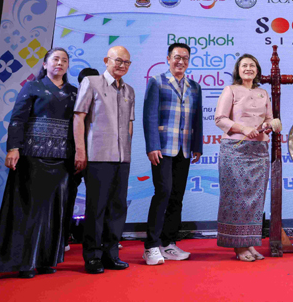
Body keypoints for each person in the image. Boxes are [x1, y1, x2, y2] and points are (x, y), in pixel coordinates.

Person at [0, 47, 78, 278]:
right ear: (45, 64)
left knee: (56, 210)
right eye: (55, 59)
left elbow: (80, 126)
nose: (60, 63)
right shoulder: (32, 86)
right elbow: (18, 119)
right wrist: (13, 148)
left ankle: (47, 260)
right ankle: (26, 262)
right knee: (29, 209)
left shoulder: (74, 92)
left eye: (64, 60)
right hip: (33, 156)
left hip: (63, 159)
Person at [73, 46, 135, 274]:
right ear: (106, 60)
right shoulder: (91, 82)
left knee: (117, 208)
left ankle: (111, 254)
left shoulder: (129, 90)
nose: (122, 65)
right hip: (97, 157)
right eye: (118, 60)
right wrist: (80, 151)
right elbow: (79, 118)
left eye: (126, 62)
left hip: (122, 158)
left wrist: (127, 150)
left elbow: (129, 124)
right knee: (96, 208)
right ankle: (92, 256)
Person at [214, 54, 281, 262]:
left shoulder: (263, 93)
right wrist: (243, 129)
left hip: (259, 150)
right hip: (235, 149)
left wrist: (270, 125)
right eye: (244, 65)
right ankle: (238, 246)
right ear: (238, 70)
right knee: (237, 198)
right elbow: (220, 119)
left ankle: (249, 242)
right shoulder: (230, 90)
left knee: (254, 200)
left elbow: (268, 119)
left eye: (252, 65)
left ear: (257, 70)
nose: (248, 68)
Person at [142, 43, 203, 265]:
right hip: (162, 148)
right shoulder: (157, 82)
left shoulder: (194, 87)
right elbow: (149, 116)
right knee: (163, 192)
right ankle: (151, 246)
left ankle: (168, 243)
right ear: (168, 58)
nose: (181, 61)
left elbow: (197, 118)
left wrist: (197, 146)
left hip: (184, 149)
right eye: (177, 57)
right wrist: (152, 146)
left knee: (177, 196)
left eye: (185, 58)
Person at [63, 67, 99, 252]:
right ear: (80, 83)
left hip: (97, 156)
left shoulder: (102, 100)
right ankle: (63, 238)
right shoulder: (72, 99)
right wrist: (78, 152)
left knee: (98, 199)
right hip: (74, 155)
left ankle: (97, 239)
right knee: (68, 196)